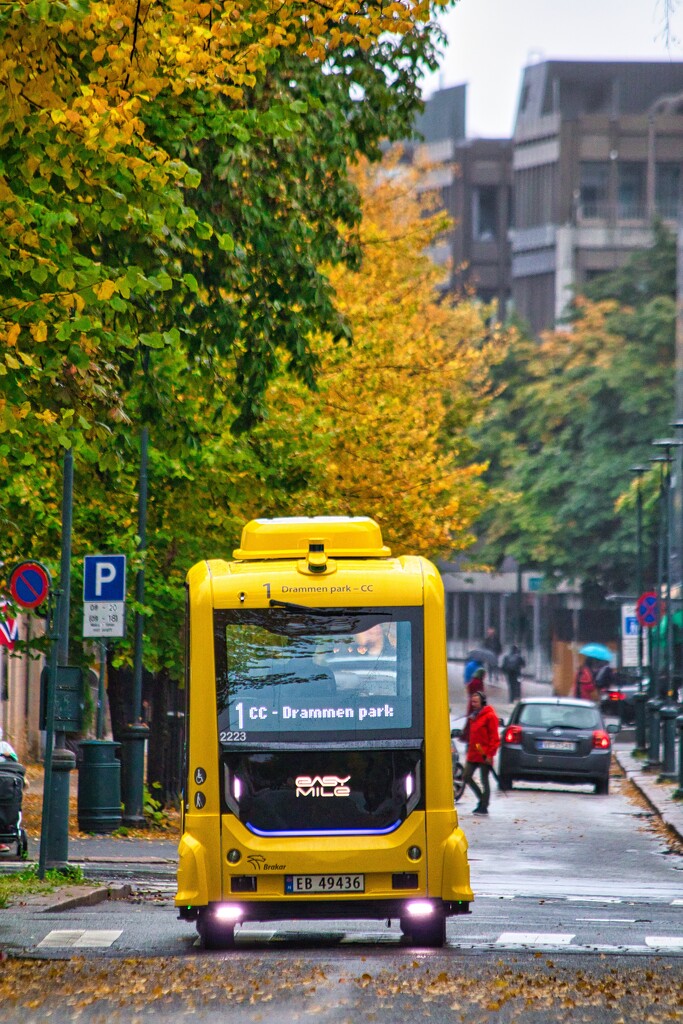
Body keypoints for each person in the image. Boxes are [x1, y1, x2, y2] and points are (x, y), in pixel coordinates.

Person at [461, 691, 500, 815]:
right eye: (472, 702)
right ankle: (482, 799)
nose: (473, 704)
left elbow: (495, 738)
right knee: (466, 776)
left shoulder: (490, 716)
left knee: (484, 781)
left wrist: (490, 754)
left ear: (482, 702)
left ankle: (484, 806)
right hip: (473, 753)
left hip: (484, 753)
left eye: (476, 702)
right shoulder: (473, 716)